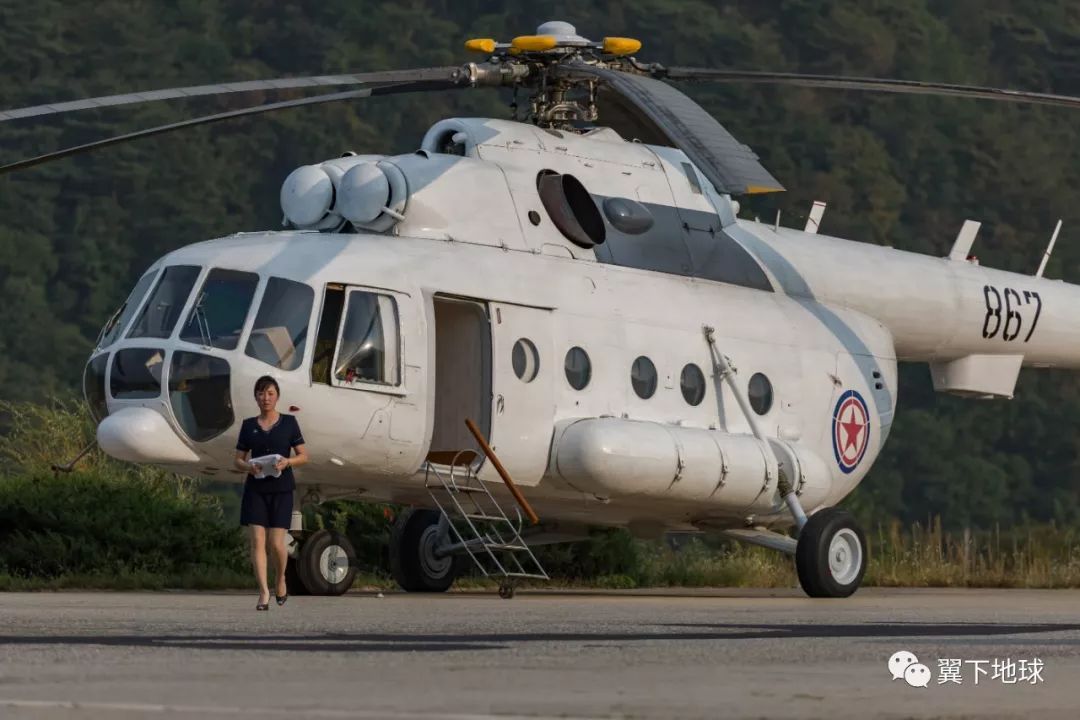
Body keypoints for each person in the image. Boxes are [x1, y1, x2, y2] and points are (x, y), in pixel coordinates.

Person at [233, 376, 308, 611]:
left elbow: (304, 456)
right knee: (257, 541)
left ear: (277, 397)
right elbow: (238, 460)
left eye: (270, 393)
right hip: (256, 489)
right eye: (261, 393)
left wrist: (288, 462)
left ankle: (280, 578)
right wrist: (248, 467)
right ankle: (264, 592)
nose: (265, 398)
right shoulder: (248, 426)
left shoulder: (289, 423)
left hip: (282, 489)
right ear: (256, 397)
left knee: (276, 543)